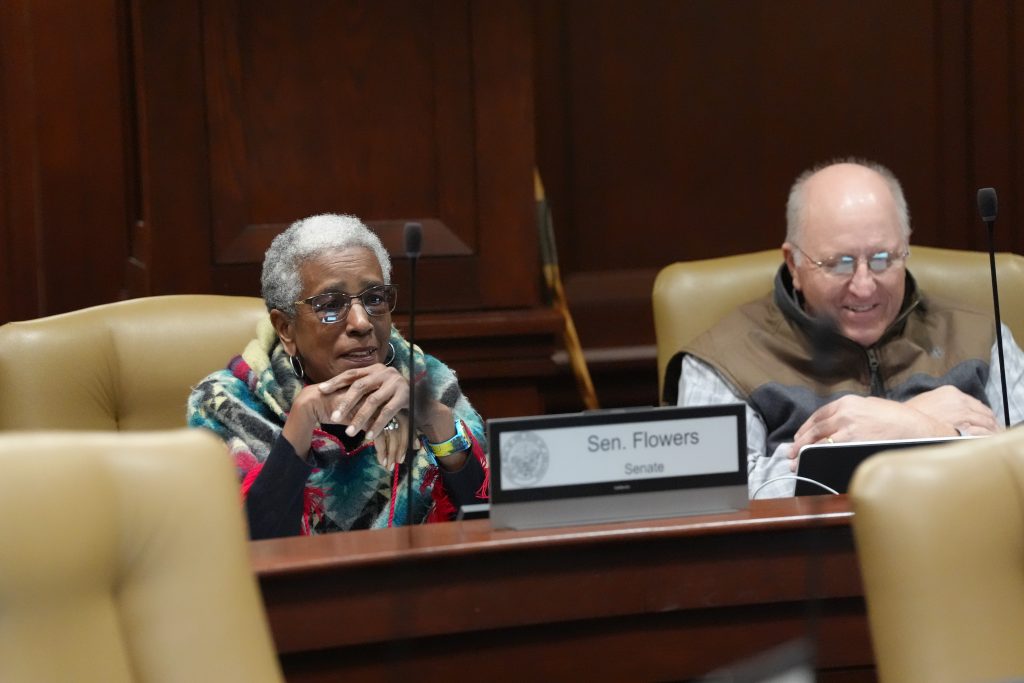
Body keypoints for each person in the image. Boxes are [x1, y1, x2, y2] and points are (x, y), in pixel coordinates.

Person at [668, 159, 1024, 497]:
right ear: (794, 263)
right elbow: (708, 490)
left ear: (906, 248)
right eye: (840, 264)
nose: (864, 286)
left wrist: (914, 426)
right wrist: (855, 444)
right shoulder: (722, 358)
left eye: (883, 259)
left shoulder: (979, 335)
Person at [188, 213, 488, 538]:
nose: (361, 323)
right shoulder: (226, 405)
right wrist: (300, 426)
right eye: (331, 304)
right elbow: (239, 550)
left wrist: (434, 421)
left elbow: (489, 523)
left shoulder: (427, 380)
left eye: (374, 299)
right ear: (286, 328)